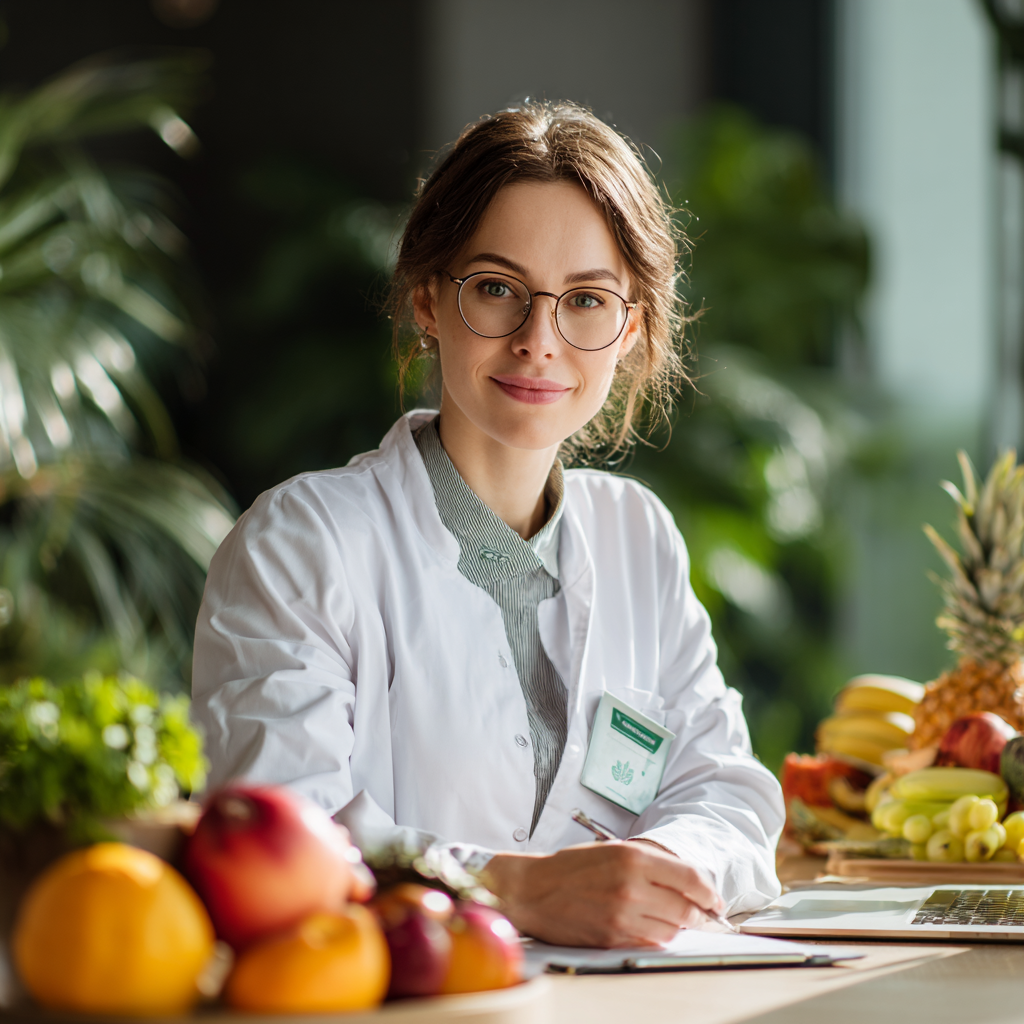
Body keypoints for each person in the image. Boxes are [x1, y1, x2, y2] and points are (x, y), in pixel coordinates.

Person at [192, 101, 784, 949]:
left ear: (632, 329)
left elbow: (730, 793)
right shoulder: (302, 544)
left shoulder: (638, 538)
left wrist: (651, 871)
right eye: (498, 290)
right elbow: (278, 838)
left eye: (586, 300)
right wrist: (509, 889)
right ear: (430, 302)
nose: (540, 340)